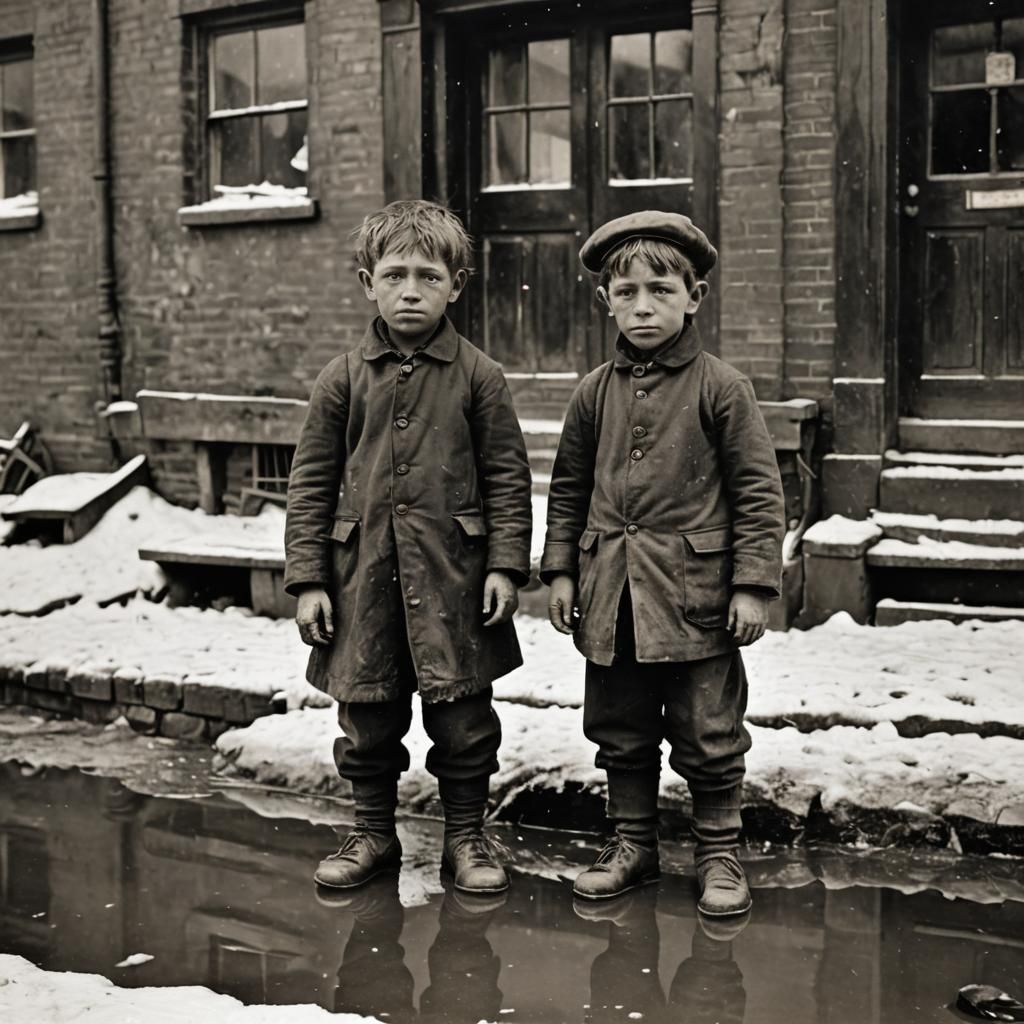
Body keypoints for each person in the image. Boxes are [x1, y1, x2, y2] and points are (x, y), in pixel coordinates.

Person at [285, 199, 533, 894]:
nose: (411, 290)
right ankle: (372, 831)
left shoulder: (480, 376)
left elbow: (509, 480)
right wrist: (309, 578)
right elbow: (309, 486)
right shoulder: (342, 378)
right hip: (361, 576)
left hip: (456, 577)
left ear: (456, 285)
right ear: (368, 283)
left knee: (463, 719)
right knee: (366, 717)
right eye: (395, 275)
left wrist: (507, 566)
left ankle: (467, 838)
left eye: (429, 276)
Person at [541, 211, 785, 916]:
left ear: (694, 297)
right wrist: (560, 569)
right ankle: (632, 844)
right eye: (626, 293)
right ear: (605, 301)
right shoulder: (592, 392)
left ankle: (718, 852)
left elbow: (758, 493)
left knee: (710, 731)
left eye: (660, 290)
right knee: (620, 728)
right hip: (612, 597)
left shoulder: (722, 387)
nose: (642, 306)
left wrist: (752, 585)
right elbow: (567, 488)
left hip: (697, 598)